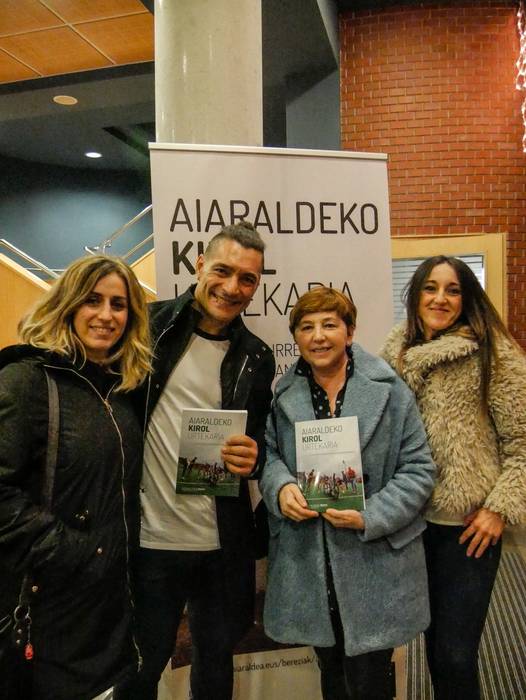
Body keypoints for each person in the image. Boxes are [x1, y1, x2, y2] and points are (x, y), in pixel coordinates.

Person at [114, 221, 275, 700]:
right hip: (151, 541)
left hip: (220, 548)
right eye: (222, 270)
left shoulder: (256, 356)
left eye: (247, 279)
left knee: (215, 665)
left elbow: (262, 441)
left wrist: (254, 455)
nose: (232, 287)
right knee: (141, 668)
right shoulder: (148, 327)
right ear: (199, 265)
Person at [260, 286, 435, 700]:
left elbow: (419, 470)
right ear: (296, 337)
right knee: (332, 673)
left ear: (350, 332)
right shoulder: (283, 396)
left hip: (373, 560)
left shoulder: (391, 391)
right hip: (312, 563)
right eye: (307, 327)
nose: (318, 336)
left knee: (370, 677)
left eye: (329, 325)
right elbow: (270, 456)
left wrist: (370, 515)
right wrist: (280, 487)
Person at [0, 255, 152, 700]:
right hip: (49, 609)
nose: (106, 315)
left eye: (119, 304)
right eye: (92, 300)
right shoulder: (26, 381)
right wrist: (75, 551)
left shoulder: (120, 389)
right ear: (68, 303)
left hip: (108, 607)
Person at [381, 255, 526, 700]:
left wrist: (498, 509)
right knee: (429, 645)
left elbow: (523, 442)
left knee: (455, 654)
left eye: (453, 289)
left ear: (467, 298)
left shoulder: (495, 355)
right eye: (430, 287)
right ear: (415, 295)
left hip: (467, 530)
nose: (440, 298)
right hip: (409, 526)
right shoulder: (393, 355)